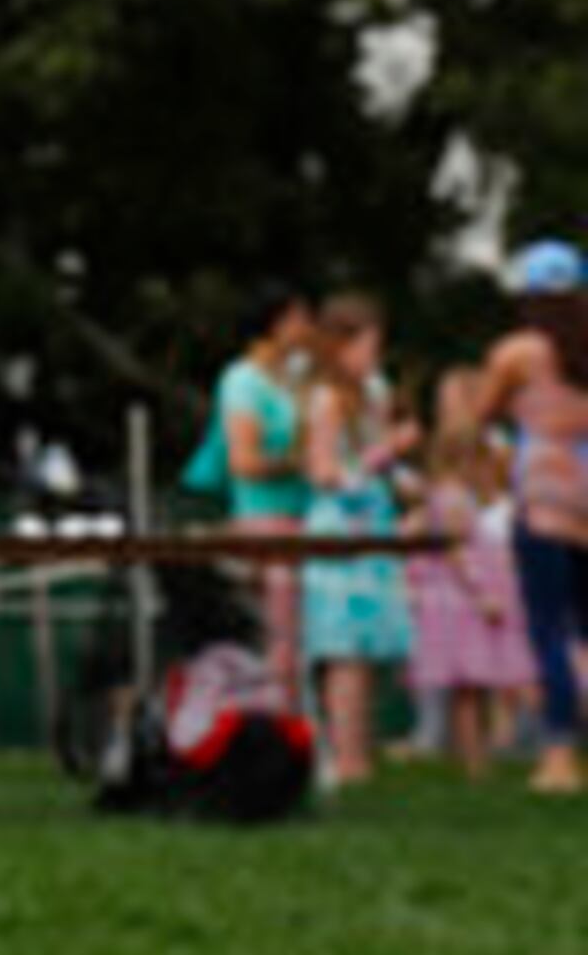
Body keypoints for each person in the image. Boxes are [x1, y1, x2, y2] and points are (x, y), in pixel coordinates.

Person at [470, 238, 588, 796]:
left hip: (544, 498)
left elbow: (481, 414)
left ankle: (560, 756)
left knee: (549, 629)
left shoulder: (519, 353)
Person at [299, 293, 413, 786]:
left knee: (369, 648)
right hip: (340, 527)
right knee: (344, 650)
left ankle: (360, 752)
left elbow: (384, 464)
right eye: (366, 345)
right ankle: (346, 758)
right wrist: (383, 453)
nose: (373, 357)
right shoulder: (324, 400)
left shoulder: (376, 392)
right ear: (339, 346)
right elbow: (323, 474)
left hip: (374, 524)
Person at [407, 366, 538, 779]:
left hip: (465, 603)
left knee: (477, 686)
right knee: (468, 686)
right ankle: (475, 761)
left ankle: (479, 756)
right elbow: (458, 552)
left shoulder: (453, 496)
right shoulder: (453, 499)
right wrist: (483, 592)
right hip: (462, 606)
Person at [209, 284, 316, 696]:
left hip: (303, 518)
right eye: (299, 319)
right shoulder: (241, 380)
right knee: (279, 636)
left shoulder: (296, 379)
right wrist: (298, 461)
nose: (307, 328)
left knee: (297, 637)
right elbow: (244, 461)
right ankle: (273, 725)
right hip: (264, 519)